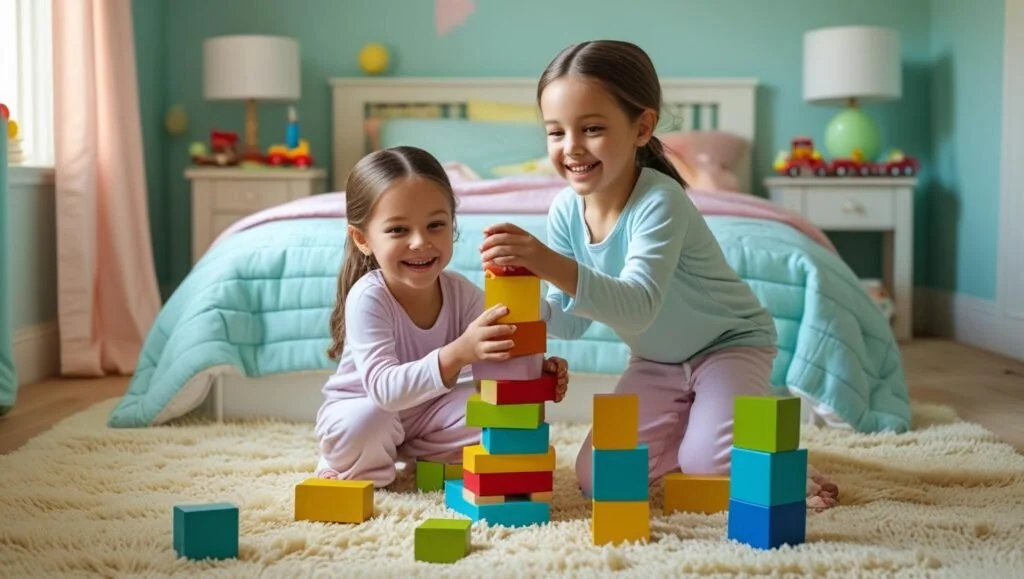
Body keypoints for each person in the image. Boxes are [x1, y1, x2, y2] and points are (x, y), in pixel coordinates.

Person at [479, 40, 838, 507]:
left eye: (591, 128)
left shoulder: (660, 201)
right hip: (655, 362)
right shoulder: (565, 210)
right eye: (556, 133)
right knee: (598, 477)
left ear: (641, 127)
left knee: (709, 464)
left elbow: (637, 305)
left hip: (729, 345)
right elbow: (573, 319)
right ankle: (704, 427)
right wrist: (521, 314)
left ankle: (778, 458)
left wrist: (547, 261)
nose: (571, 149)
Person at [315, 146, 569, 487]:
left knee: (498, 416)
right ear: (362, 239)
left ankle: (416, 456)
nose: (420, 242)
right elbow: (385, 392)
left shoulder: (459, 291)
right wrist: (460, 351)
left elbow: (507, 335)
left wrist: (538, 371)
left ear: (453, 224)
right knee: (369, 421)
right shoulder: (369, 296)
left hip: (427, 416)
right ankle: (356, 468)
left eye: (436, 225)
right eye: (398, 230)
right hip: (365, 409)